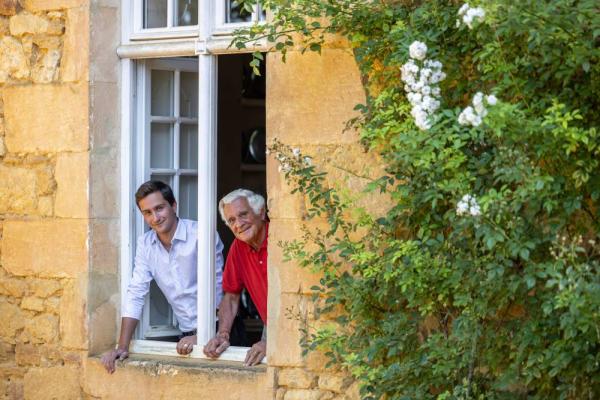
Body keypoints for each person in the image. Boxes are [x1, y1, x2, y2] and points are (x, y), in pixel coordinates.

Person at [101, 181, 224, 373]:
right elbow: (136, 292)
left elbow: (219, 287)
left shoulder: (200, 234)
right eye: (147, 212)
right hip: (186, 336)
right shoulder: (146, 244)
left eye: (159, 208)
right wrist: (122, 346)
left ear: (173, 205)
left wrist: (203, 335)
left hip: (220, 329)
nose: (155, 218)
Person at [203, 189, 268, 366]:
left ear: (261, 212)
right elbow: (231, 296)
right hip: (270, 325)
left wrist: (273, 342)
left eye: (243, 214)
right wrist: (222, 334)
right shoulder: (238, 248)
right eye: (231, 220)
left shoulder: (280, 240)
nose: (238, 224)